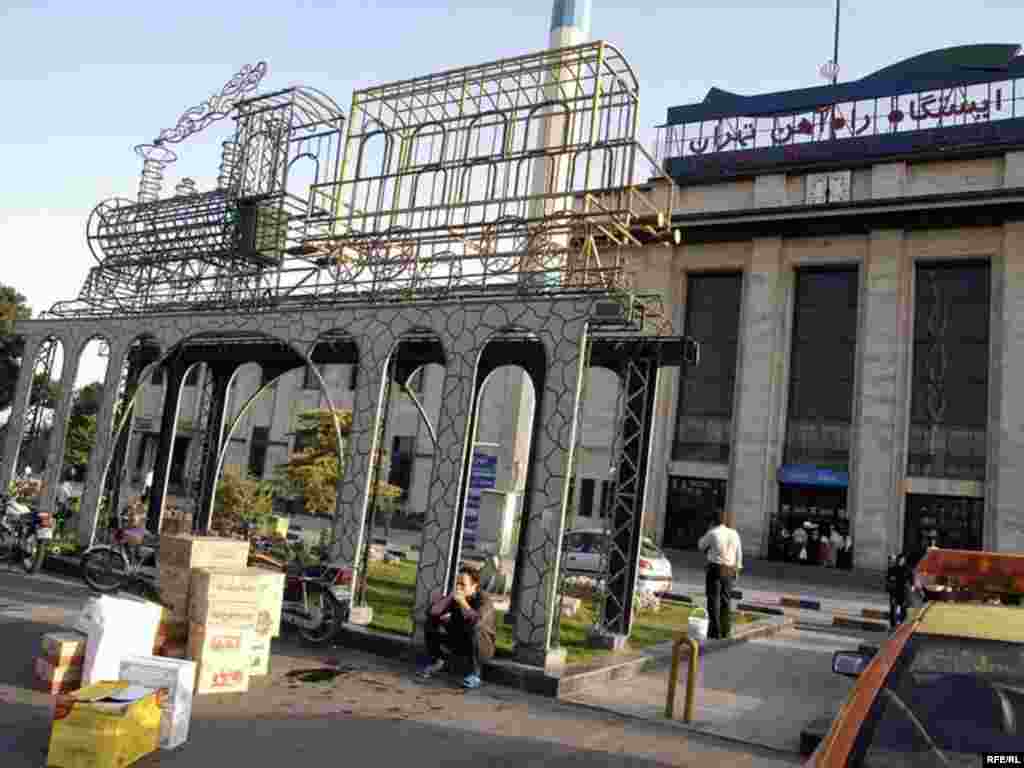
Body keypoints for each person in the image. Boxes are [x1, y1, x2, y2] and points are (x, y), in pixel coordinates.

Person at [417, 565, 497, 689]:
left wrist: (463, 603)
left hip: (482, 647)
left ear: (474, 586)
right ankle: (437, 661)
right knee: (431, 621)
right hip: (460, 641)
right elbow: (433, 611)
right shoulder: (455, 596)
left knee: (475, 627)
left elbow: (477, 621)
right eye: (457, 583)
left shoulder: (484, 600)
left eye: (462, 584)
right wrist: (449, 598)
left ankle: (475, 675)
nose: (458, 587)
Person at [697, 508, 742, 640]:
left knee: (713, 599)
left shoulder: (713, 533)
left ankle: (714, 631)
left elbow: (700, 545)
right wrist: (737, 569)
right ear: (725, 520)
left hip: (715, 568)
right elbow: (739, 554)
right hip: (729, 569)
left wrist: (708, 530)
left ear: (713, 521)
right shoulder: (734, 533)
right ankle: (726, 630)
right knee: (726, 600)